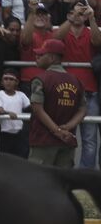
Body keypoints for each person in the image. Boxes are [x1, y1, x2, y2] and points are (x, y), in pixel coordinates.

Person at [30, 38, 86, 167]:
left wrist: (57, 131)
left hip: (43, 141)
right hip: (67, 140)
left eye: (41, 54)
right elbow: (82, 109)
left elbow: (37, 109)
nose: (37, 57)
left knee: (40, 181)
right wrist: (67, 127)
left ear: (51, 58)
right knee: (63, 183)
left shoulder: (40, 79)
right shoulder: (76, 81)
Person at [0, 70, 30, 158]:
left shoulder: (21, 95)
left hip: (18, 133)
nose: (8, 82)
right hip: (4, 132)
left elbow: (29, 107)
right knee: (4, 158)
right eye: (5, 79)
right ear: (2, 82)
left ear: (16, 82)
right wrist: (8, 113)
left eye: (11, 79)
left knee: (19, 157)